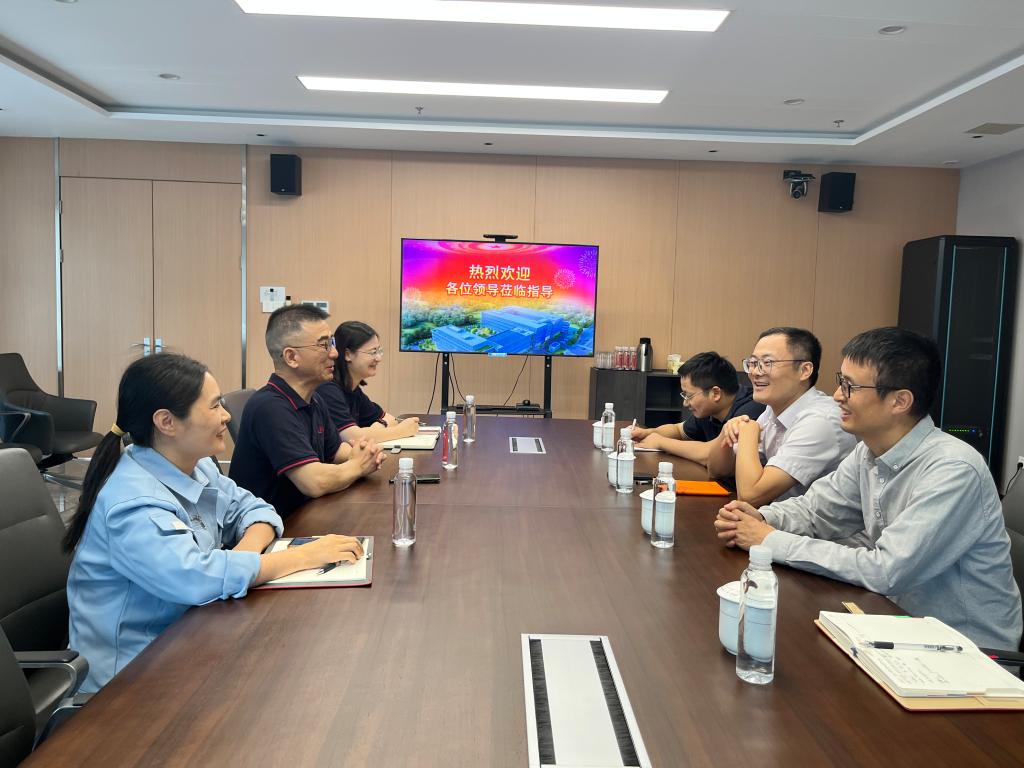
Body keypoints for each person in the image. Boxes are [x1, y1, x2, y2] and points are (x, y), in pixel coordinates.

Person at [64, 354, 365, 692]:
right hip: (133, 679)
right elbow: (195, 578)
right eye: (214, 406)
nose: (226, 416)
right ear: (166, 422)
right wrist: (300, 557)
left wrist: (244, 556)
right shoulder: (132, 502)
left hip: (193, 638)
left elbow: (256, 508)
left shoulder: (197, 465)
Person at [714, 327, 1022, 649]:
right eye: (840, 381)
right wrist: (761, 518)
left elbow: (886, 570)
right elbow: (817, 511)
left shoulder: (953, 469)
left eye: (850, 386)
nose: (837, 395)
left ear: (900, 401)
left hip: (965, 650)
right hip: (894, 621)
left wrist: (769, 539)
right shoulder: (869, 451)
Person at [229, 305, 385, 517]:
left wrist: (366, 454)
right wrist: (358, 466)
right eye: (323, 345)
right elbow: (314, 482)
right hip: (274, 527)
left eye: (332, 343)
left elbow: (336, 452)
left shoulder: (314, 399)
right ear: (291, 357)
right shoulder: (270, 407)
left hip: (306, 514)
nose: (334, 353)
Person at [707, 327, 856, 507]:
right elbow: (717, 470)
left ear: (804, 370)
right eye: (753, 363)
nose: (754, 372)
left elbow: (750, 495)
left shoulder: (820, 421)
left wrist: (747, 433)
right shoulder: (773, 409)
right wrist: (727, 431)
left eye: (767, 362)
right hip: (780, 518)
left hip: (816, 525)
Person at [630, 351, 764, 466]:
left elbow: (711, 454)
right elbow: (679, 430)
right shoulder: (710, 410)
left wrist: (660, 442)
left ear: (715, 393)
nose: (685, 403)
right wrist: (648, 433)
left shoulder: (748, 413)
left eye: (689, 396)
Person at [317, 320, 420, 442]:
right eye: (373, 352)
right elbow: (352, 437)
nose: (378, 358)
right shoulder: (327, 389)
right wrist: (402, 430)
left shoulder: (354, 391)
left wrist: (376, 428)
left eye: (379, 351)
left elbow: (389, 419)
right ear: (347, 354)